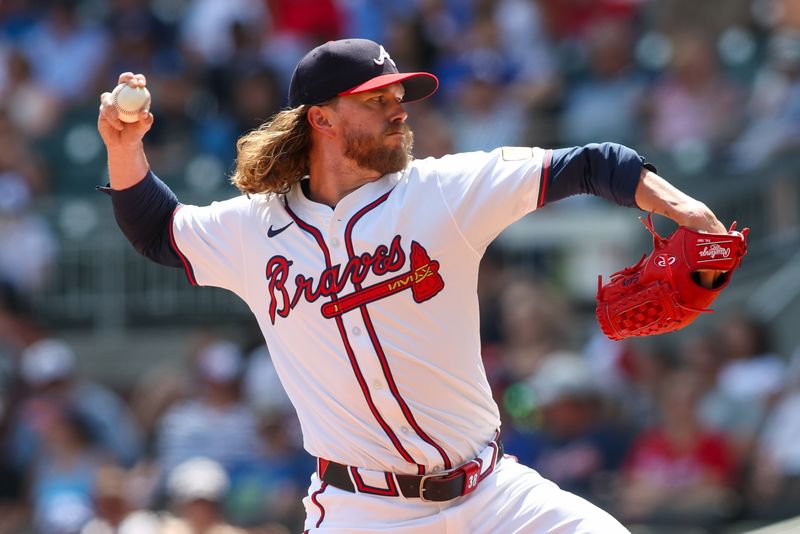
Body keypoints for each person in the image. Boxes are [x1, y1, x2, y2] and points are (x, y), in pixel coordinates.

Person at [97, 38, 728, 533]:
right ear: (321, 117)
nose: (398, 108)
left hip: (492, 496)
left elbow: (590, 164)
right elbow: (157, 229)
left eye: (398, 94)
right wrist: (124, 150)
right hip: (363, 512)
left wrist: (686, 210)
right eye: (375, 99)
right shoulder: (253, 228)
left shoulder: (443, 191)